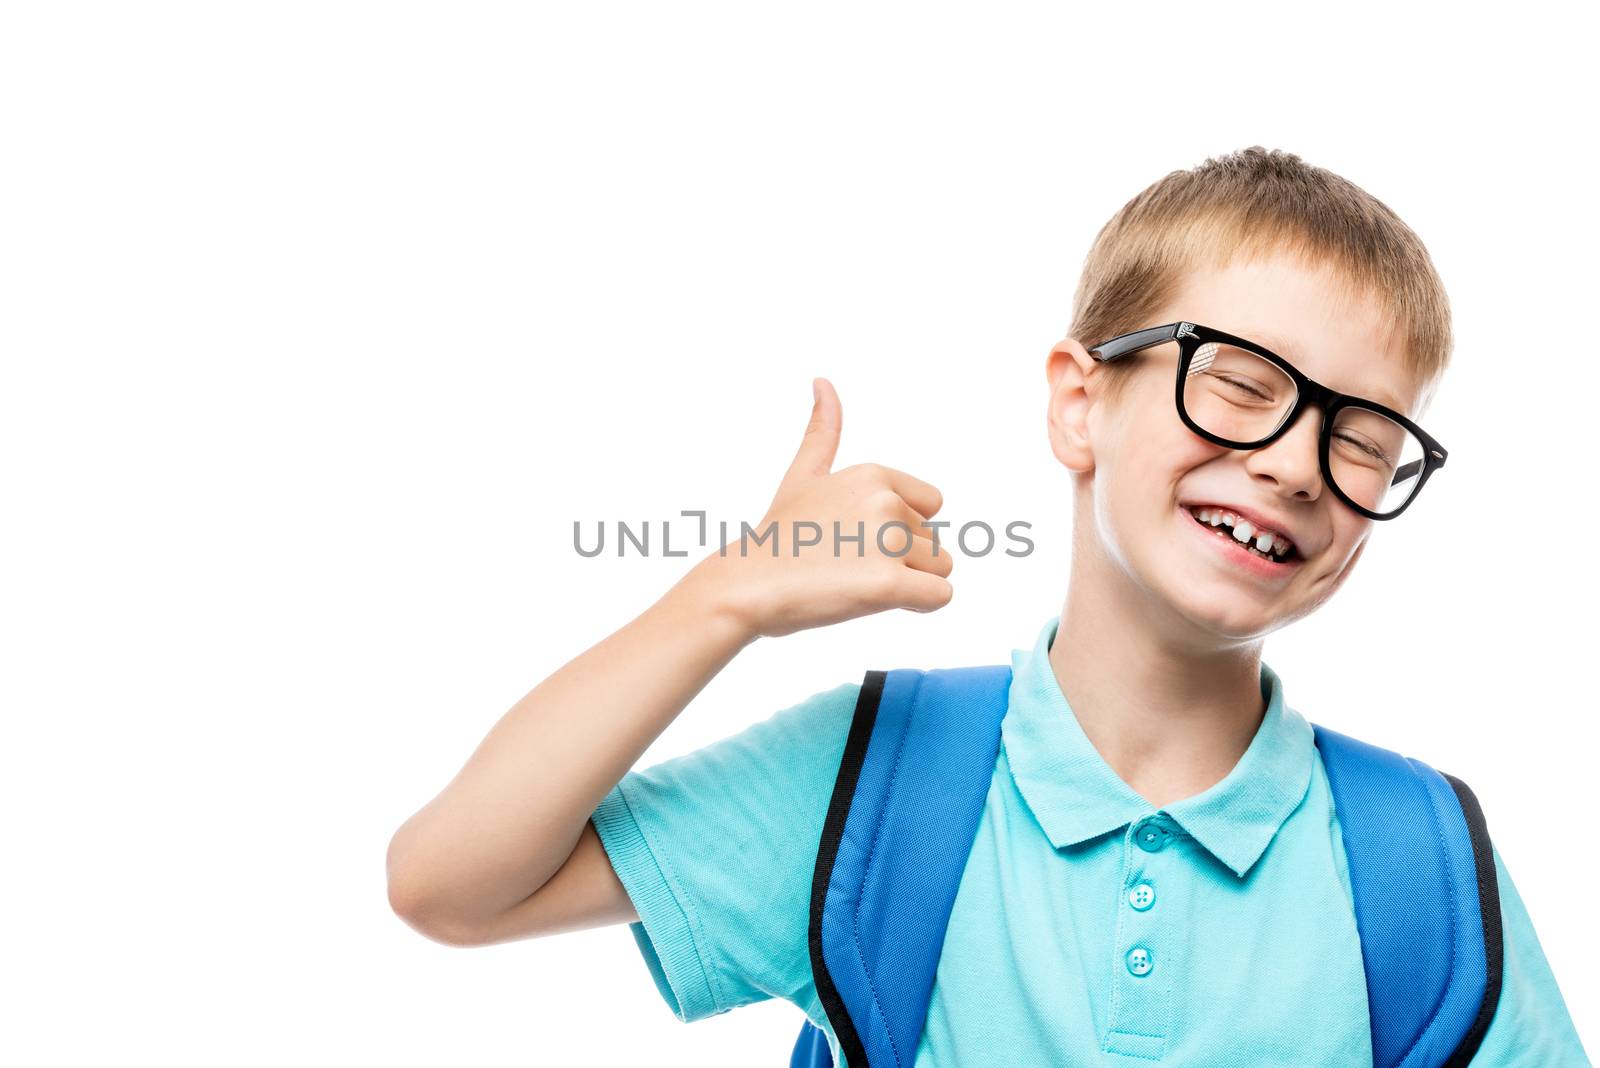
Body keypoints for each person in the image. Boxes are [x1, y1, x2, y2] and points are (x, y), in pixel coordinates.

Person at [386, 147, 1590, 1065]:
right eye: (1239, 383)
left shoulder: (1415, 858)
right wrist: (724, 603)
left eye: (1362, 438)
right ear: (1080, 402)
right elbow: (449, 885)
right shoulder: (878, 780)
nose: (1290, 461)